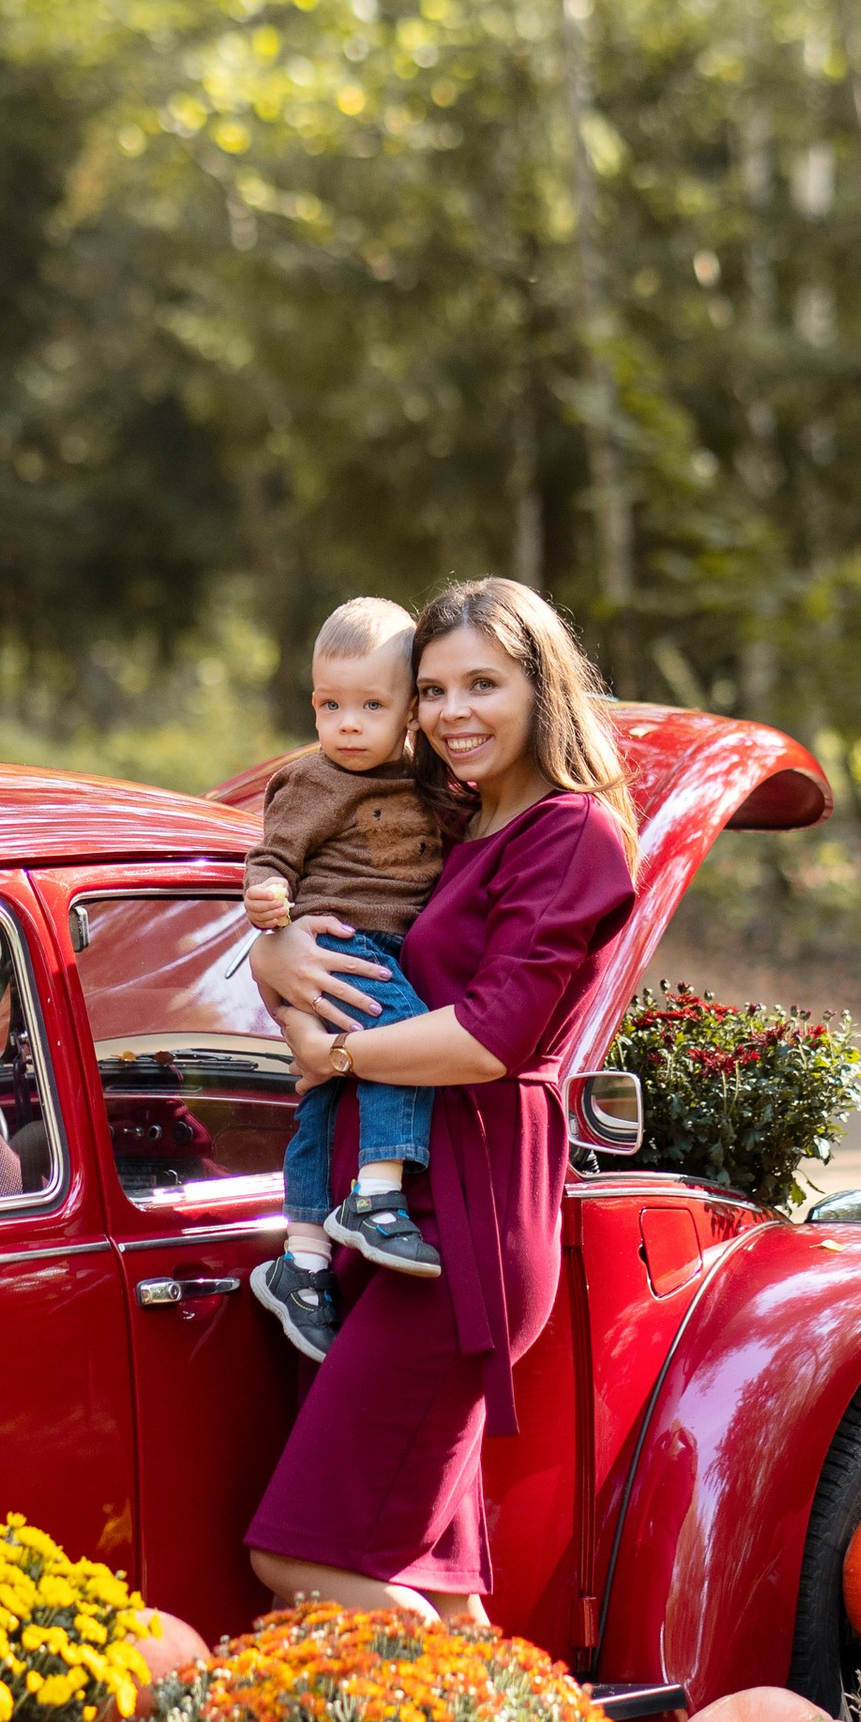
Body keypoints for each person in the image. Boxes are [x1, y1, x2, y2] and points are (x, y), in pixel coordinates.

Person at [243, 576, 639, 1628]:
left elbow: (491, 1036)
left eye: (482, 684)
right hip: (385, 1218)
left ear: (543, 688)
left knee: (299, 1557)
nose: (452, 712)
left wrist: (334, 1054)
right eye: (431, 690)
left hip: (462, 1224)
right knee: (435, 1583)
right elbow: (340, 932)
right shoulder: (448, 822)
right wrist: (274, 952)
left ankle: (444, 1720)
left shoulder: (570, 834)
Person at [243, 595, 461, 1365]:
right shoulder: (312, 781)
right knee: (405, 1043)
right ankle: (376, 1196)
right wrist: (268, 902)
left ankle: (303, 1259)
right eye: (330, 705)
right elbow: (272, 857)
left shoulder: (426, 781)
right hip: (344, 943)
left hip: (383, 947)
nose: (348, 724)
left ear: (410, 712)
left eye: (371, 706)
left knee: (325, 1103)